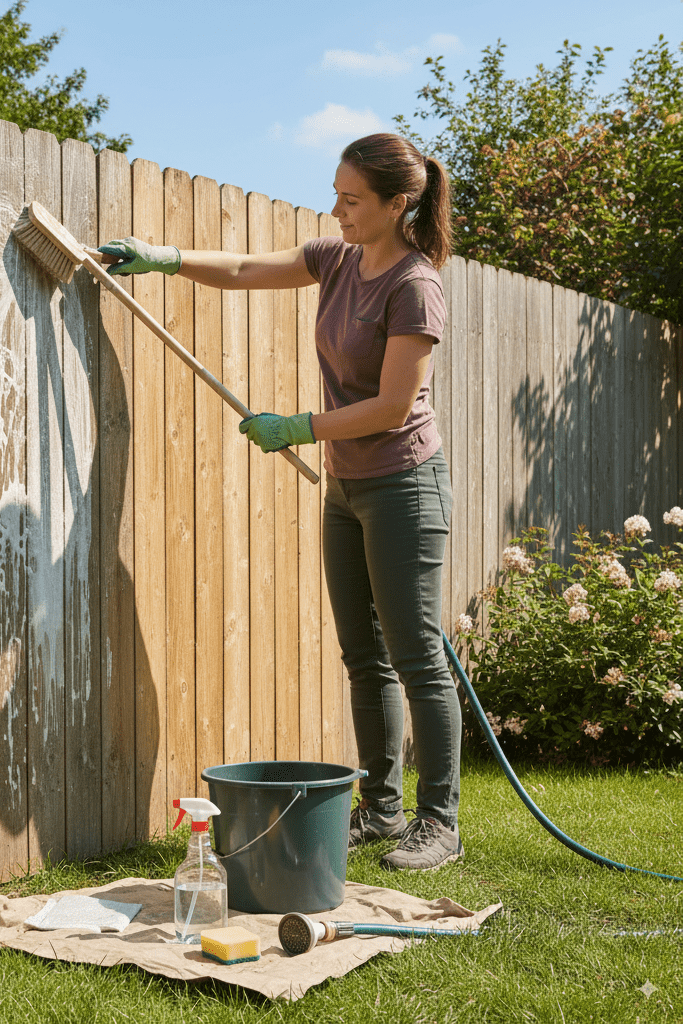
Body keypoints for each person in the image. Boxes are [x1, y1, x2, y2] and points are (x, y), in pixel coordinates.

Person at [98, 132, 461, 871]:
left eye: (352, 199)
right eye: (336, 192)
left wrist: (299, 426)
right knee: (363, 655)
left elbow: (395, 405)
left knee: (416, 656)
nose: (337, 209)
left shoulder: (414, 285)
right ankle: (383, 809)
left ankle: (439, 821)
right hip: (347, 487)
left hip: (403, 484)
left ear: (399, 204)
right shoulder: (337, 260)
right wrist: (163, 258)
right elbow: (238, 268)